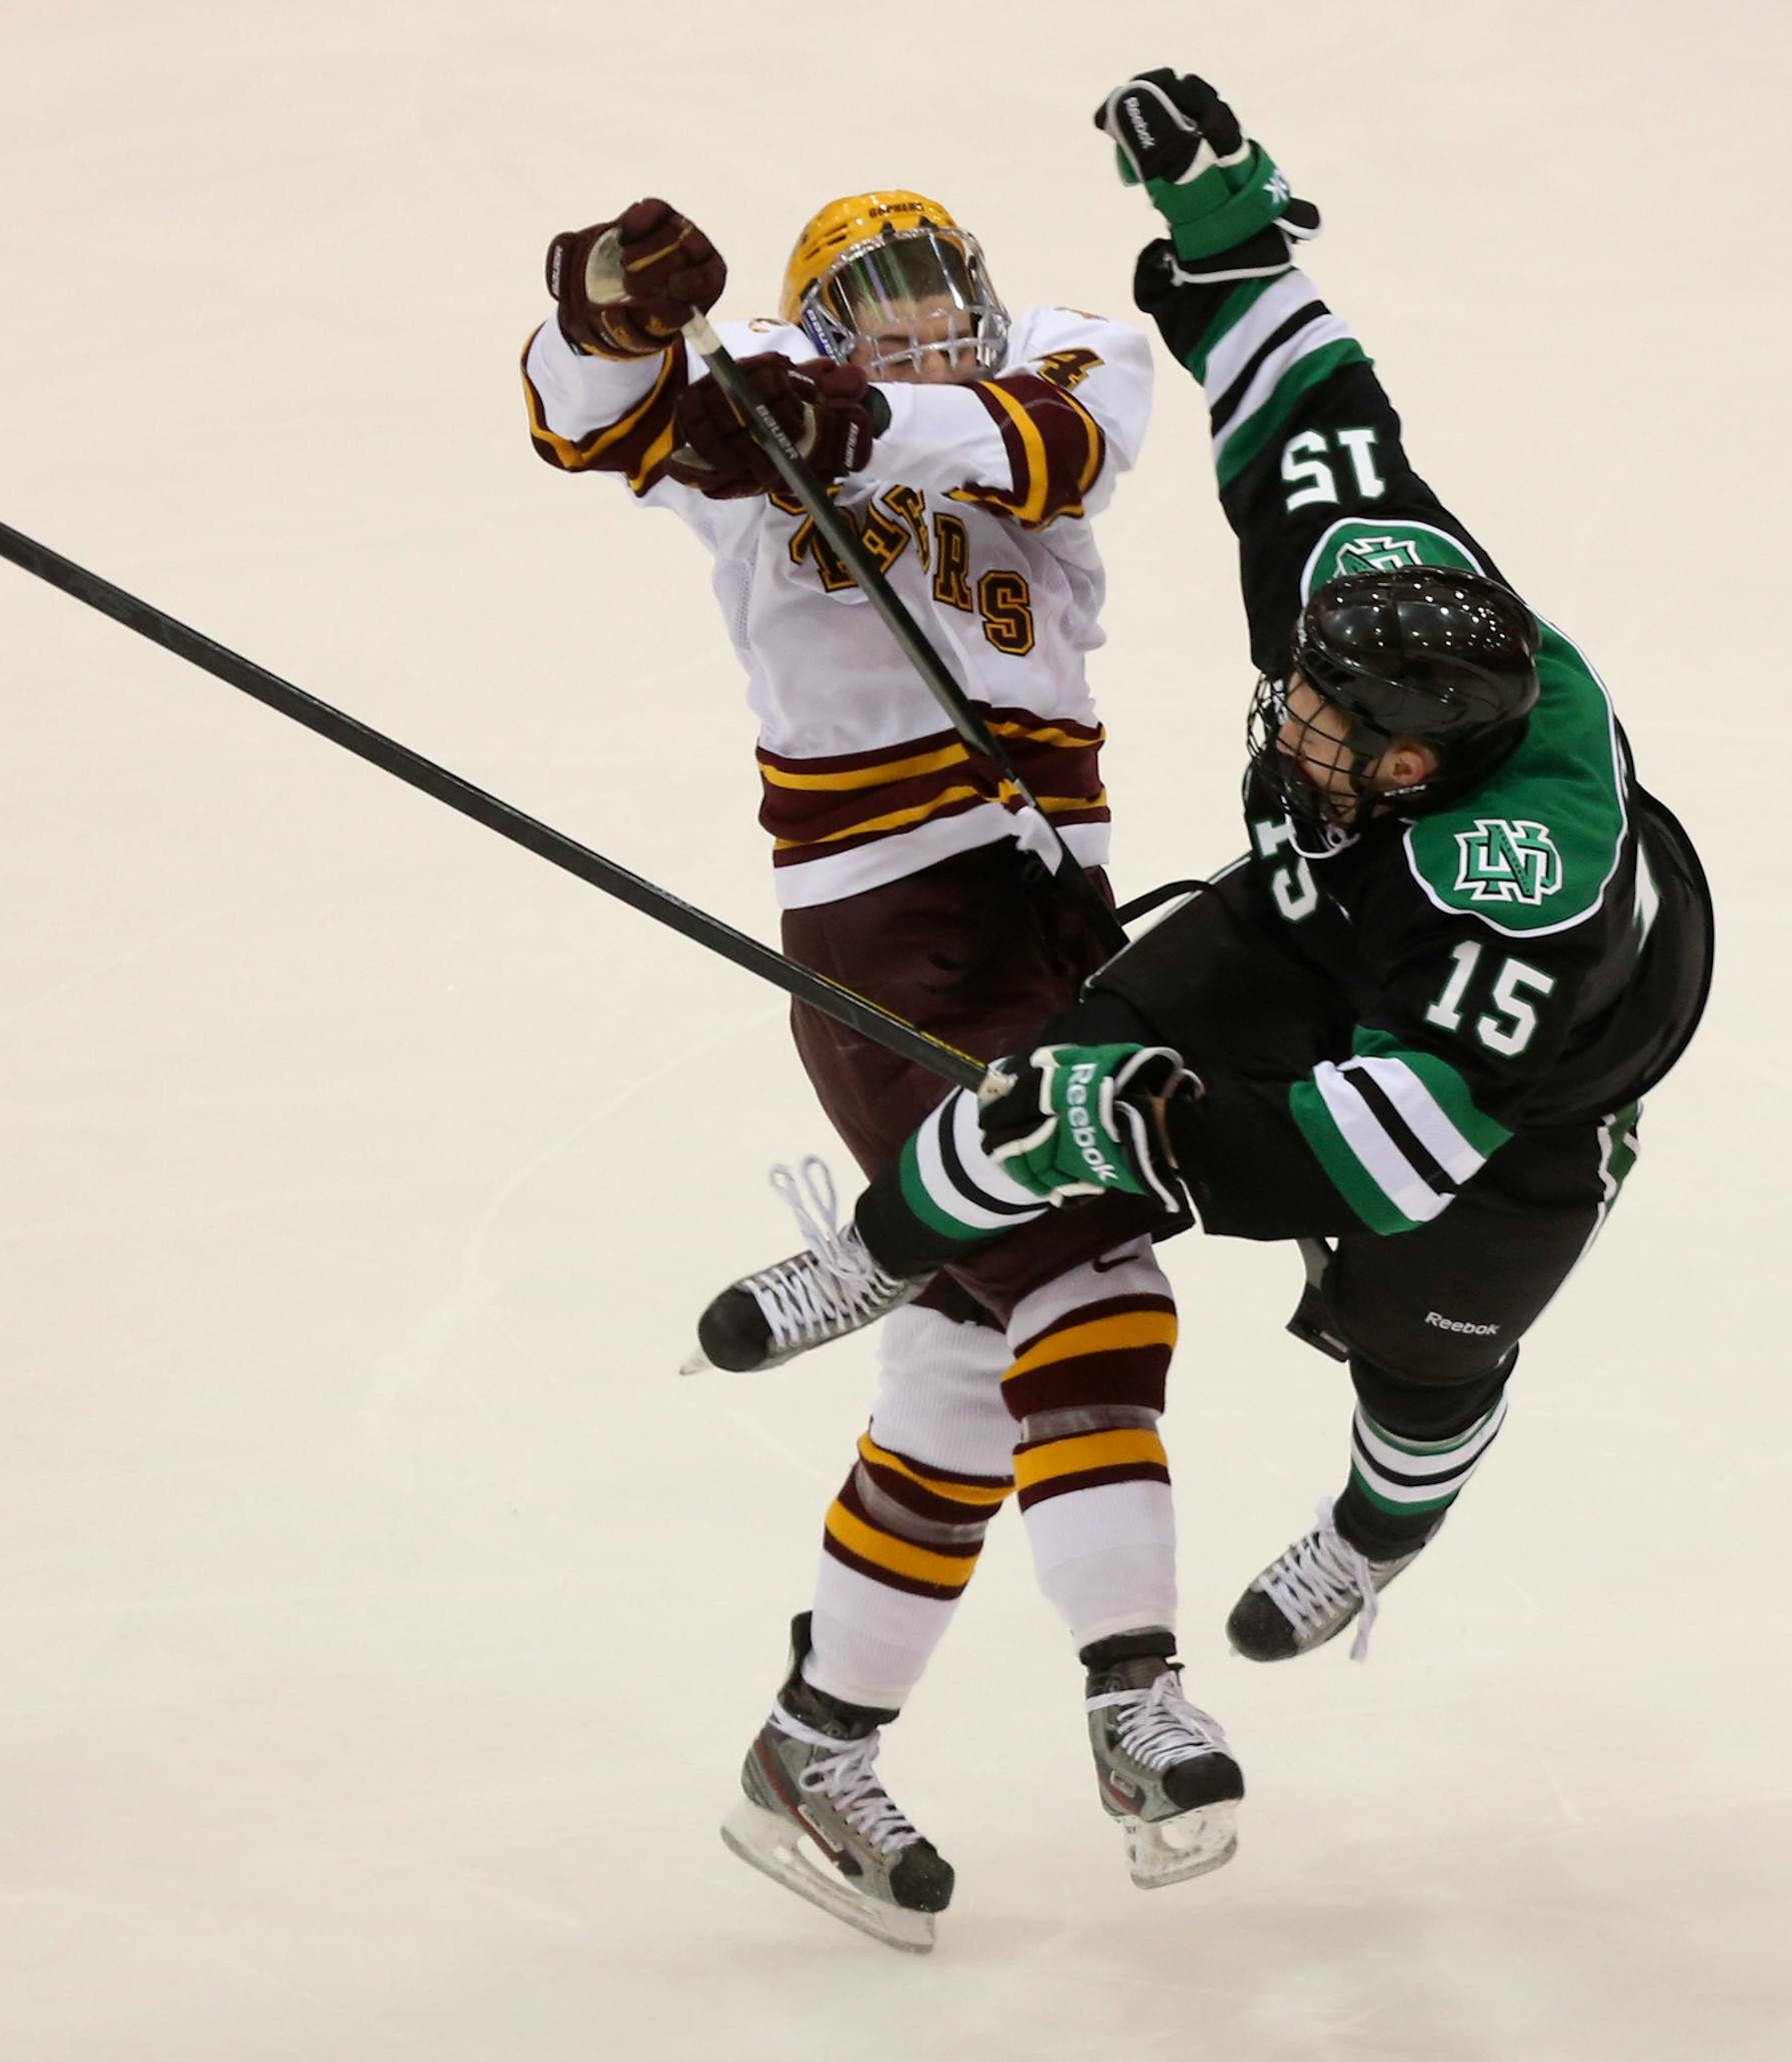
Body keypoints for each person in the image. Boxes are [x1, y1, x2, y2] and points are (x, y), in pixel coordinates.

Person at [695, 72, 1713, 1678]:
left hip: (1521, 1093)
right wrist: (1226, 222)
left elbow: (1378, 1156)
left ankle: (1387, 1527)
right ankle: (881, 1249)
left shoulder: (1511, 905)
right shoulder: (1359, 570)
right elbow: (1309, 399)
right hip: (1330, 907)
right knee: (1060, 1067)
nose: (1283, 726)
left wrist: (1157, 1134)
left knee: (1421, 1354)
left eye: (1323, 730)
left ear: (1408, 768)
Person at [524, 192, 1241, 1950]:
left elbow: (1061, 444)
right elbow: (582, 415)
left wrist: (851, 420)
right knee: (1087, 1272)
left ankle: (811, 1749)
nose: (918, 327)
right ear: (814, 325)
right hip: (885, 933)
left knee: (954, 1362)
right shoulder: (756, 384)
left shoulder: (1077, 353)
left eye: (940, 296)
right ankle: (1134, 1696)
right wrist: (616, 309)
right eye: (877, 313)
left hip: (1061, 917)